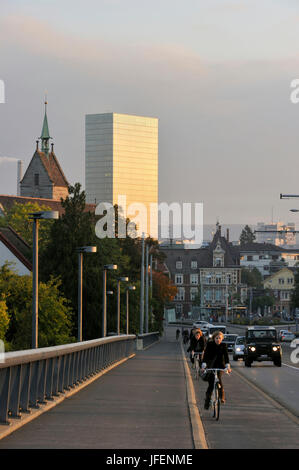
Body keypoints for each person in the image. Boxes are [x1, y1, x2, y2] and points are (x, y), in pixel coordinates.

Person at [201, 331, 231, 409]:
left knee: (219, 379)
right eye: (216, 338)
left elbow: (226, 357)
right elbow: (206, 356)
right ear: (214, 338)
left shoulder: (223, 345)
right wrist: (204, 365)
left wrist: (228, 366)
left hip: (220, 366)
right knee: (211, 384)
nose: (218, 339)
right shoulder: (210, 345)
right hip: (211, 366)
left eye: (219, 338)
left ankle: (222, 397)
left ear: (222, 339)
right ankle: (207, 402)